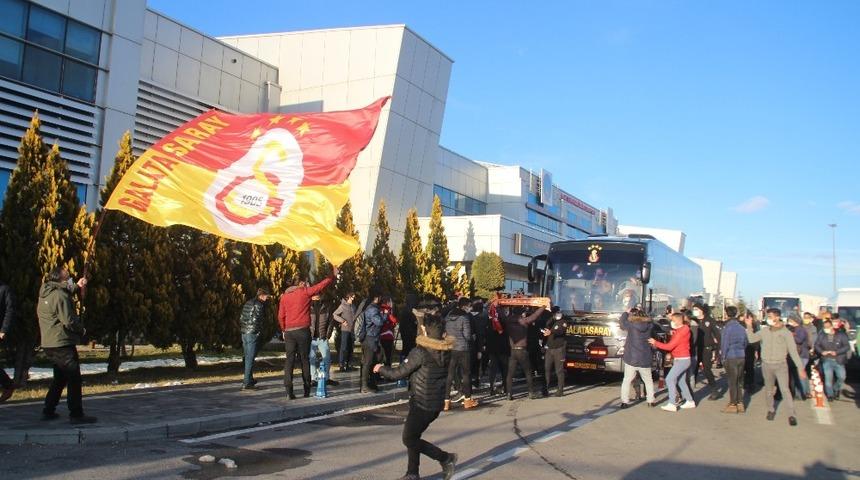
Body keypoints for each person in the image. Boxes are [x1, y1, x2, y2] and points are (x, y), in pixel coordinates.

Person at [374, 304, 458, 480]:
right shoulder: (445, 352)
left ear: (425, 333)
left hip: (422, 402)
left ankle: (446, 458)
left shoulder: (420, 352)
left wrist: (381, 368)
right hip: (434, 403)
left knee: (409, 439)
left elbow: (399, 373)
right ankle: (412, 473)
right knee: (414, 436)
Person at [37, 267, 95, 423]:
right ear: (60, 280)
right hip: (61, 342)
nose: (69, 279)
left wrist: (77, 286)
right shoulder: (59, 296)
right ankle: (76, 414)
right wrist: (81, 329)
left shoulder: (46, 292)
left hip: (49, 342)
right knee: (74, 378)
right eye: (67, 277)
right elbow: (68, 320)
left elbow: (65, 290)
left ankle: (48, 409)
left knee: (60, 378)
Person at [278, 268, 337, 400]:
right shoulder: (304, 293)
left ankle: (289, 390)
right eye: (305, 282)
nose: (306, 284)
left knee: (289, 360)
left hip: (289, 331)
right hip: (303, 330)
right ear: (301, 284)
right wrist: (332, 275)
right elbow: (321, 285)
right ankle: (306, 389)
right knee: (305, 359)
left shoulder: (284, 297)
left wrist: (283, 329)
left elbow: (280, 316)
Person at [745, 308, 806, 426]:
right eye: (767, 316)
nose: (768, 319)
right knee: (769, 390)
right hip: (766, 365)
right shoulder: (764, 331)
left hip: (781, 365)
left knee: (785, 390)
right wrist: (749, 326)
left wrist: (800, 368)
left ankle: (791, 414)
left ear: (777, 317)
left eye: (770, 316)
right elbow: (752, 339)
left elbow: (793, 351)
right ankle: (771, 410)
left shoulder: (786, 333)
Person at [648, 312, 695, 412]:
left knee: (669, 379)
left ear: (678, 321)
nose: (671, 323)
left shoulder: (680, 332)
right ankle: (690, 401)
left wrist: (655, 342)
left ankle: (672, 403)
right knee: (681, 381)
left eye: (672, 320)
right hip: (683, 359)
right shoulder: (681, 330)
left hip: (682, 359)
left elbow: (669, 346)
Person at [503, 305, 546, 400]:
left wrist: (496, 306)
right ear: (521, 313)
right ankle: (531, 393)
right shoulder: (524, 321)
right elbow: (535, 316)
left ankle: (509, 394)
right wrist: (543, 306)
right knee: (528, 372)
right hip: (522, 350)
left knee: (510, 374)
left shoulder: (508, 320)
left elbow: (501, 315)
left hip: (512, 351)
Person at [444, 297, 478, 410]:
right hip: (463, 349)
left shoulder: (448, 317)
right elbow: (467, 335)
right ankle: (467, 400)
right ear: (464, 306)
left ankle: (446, 401)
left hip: (451, 348)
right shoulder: (464, 318)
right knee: (466, 374)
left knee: (450, 375)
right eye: (469, 306)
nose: (470, 308)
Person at [619, 309, 655, 407]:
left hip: (632, 358)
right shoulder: (650, 326)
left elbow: (622, 323)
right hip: (645, 358)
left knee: (627, 380)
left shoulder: (631, 325)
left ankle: (624, 402)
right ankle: (650, 401)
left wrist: (625, 312)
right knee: (648, 380)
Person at [239, 287, 270, 390]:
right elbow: (258, 320)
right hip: (252, 333)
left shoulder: (248, 302)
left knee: (247, 356)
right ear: (261, 296)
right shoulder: (259, 305)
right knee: (250, 358)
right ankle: (246, 382)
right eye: (266, 296)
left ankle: (250, 379)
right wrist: (259, 332)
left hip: (244, 332)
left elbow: (241, 318)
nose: (267, 298)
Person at [719, 306, 748, 413]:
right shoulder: (741, 327)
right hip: (741, 355)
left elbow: (724, 344)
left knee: (732, 381)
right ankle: (740, 402)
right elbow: (745, 342)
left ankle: (732, 404)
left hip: (731, 356)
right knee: (738, 381)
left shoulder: (727, 328)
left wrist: (722, 357)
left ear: (727, 315)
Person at [814, 319, 850, 401]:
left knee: (842, 377)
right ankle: (830, 395)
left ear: (832, 327)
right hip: (827, 359)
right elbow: (817, 345)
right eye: (824, 327)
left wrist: (837, 352)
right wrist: (822, 351)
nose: (826, 328)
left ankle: (836, 388)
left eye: (827, 327)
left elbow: (846, 346)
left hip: (838, 360)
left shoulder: (841, 335)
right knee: (828, 378)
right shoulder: (822, 335)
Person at [309, 295, 337, 395]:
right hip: (311, 337)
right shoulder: (308, 306)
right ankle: (313, 378)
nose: (316, 297)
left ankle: (326, 377)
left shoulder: (326, 306)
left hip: (322, 337)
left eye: (318, 295)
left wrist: (328, 334)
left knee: (327, 358)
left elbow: (330, 321)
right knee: (311, 358)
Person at [542, 306, 569, 397]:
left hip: (559, 349)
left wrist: (552, 332)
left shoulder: (563, 322)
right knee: (546, 369)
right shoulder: (551, 321)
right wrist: (552, 319)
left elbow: (561, 331)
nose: (557, 315)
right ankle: (545, 389)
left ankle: (560, 390)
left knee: (559, 371)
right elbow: (546, 325)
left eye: (557, 313)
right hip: (549, 349)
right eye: (554, 313)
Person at [360, 293, 385, 393]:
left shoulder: (370, 307)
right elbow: (379, 322)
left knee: (373, 361)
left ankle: (371, 383)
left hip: (370, 337)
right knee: (368, 362)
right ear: (376, 297)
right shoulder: (373, 309)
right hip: (370, 338)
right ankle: (365, 386)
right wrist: (385, 315)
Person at [696, 304, 721, 400]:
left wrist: (718, 350)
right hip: (695, 349)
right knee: (693, 370)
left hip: (706, 349)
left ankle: (714, 389)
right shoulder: (694, 321)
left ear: (702, 310)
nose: (695, 311)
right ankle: (687, 393)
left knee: (706, 370)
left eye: (697, 309)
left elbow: (717, 335)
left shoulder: (710, 320)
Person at [485, 298, 509, 396]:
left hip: (492, 348)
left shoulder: (489, 321)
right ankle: (506, 387)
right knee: (504, 369)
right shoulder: (504, 321)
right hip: (503, 348)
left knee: (493, 370)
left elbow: (486, 334)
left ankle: (491, 388)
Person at [786, 315, 811, 400]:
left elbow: (799, 340)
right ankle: (806, 392)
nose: (789, 322)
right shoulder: (795, 329)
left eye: (790, 320)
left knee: (799, 374)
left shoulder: (800, 329)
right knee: (801, 374)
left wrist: (792, 335)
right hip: (799, 355)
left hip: (802, 355)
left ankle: (801, 393)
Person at [0, 281, 16, 402]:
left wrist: (4, 329)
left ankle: (8, 385)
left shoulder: (4, 289)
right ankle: (7, 385)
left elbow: (9, 310)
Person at [333, 292, 357, 372]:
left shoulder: (353, 306)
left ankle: (349, 364)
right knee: (343, 347)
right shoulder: (342, 306)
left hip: (352, 330)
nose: (353, 299)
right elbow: (335, 314)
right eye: (352, 297)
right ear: (348, 297)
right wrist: (342, 321)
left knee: (351, 347)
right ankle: (341, 365)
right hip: (345, 330)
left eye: (353, 298)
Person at [380, 298, 399, 368]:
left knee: (384, 354)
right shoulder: (386, 309)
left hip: (384, 335)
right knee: (387, 355)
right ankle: (387, 369)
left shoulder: (382, 309)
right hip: (387, 334)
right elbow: (393, 320)